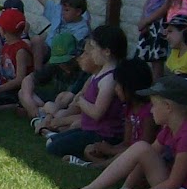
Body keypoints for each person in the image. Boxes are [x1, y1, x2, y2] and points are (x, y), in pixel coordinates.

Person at [59, 74, 187, 189]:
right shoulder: (170, 128)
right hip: (176, 187)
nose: (151, 110)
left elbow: (174, 182)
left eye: (154, 105)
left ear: (168, 107)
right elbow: (144, 156)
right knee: (141, 147)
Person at [41, 25, 127, 160]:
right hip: (89, 128)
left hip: (103, 134)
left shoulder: (109, 79)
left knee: (53, 147)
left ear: (106, 51)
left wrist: (81, 101)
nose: (91, 53)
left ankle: (91, 156)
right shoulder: (99, 72)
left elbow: (97, 113)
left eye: (93, 48)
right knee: (51, 142)